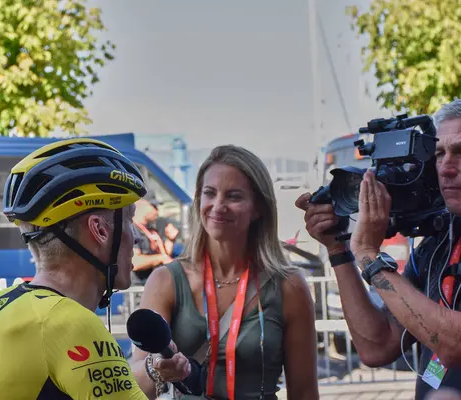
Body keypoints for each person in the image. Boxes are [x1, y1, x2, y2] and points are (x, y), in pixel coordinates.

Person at [0, 138, 151, 399]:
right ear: (99, 230)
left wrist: (154, 372)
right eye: (129, 220)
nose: (135, 237)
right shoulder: (71, 325)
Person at [296, 99, 461, 399]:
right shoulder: (437, 244)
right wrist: (339, 250)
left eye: (460, 152)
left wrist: (370, 257)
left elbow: (453, 345)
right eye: (439, 154)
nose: (447, 167)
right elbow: (377, 344)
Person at [130, 145, 319, 400]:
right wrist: (156, 369)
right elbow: (136, 386)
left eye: (234, 196)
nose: (218, 206)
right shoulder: (166, 280)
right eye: (210, 193)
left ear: (258, 208)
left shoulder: (289, 285)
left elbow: (305, 392)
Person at [132, 198, 174, 284]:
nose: (157, 211)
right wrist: (161, 258)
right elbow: (134, 262)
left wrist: (170, 239)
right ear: (141, 205)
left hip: (152, 285)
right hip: (136, 289)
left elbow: (165, 256)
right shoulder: (130, 229)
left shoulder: (151, 229)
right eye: (154, 206)